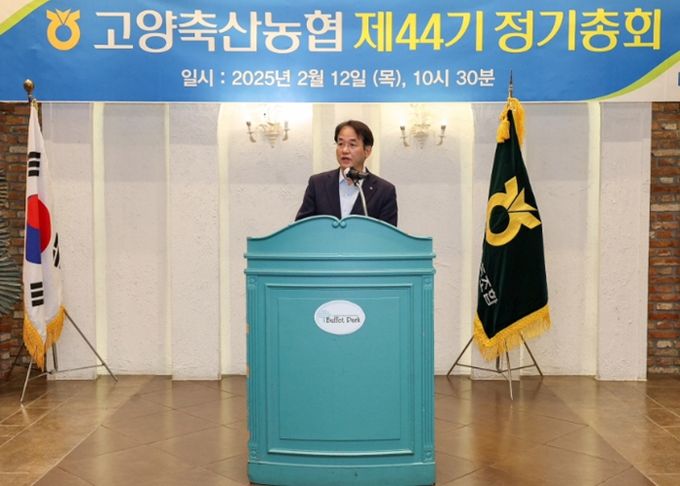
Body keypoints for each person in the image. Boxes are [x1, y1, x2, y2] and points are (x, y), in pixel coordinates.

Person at [295, 120, 398, 226]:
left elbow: (387, 234)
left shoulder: (384, 191)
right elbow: (301, 227)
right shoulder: (317, 184)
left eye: (352, 145)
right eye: (340, 144)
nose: (344, 150)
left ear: (367, 151)